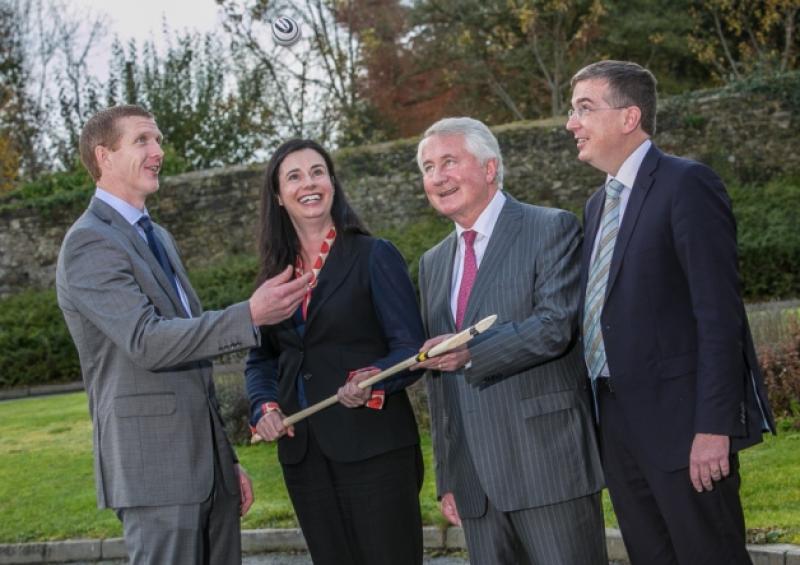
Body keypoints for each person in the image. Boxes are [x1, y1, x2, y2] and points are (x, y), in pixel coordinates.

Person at [55, 104, 311, 565]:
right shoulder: (88, 242)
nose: (158, 151)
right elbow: (147, 341)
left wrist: (225, 461)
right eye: (142, 141)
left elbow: (191, 359)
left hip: (206, 470)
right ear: (104, 156)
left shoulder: (160, 237)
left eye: (158, 140)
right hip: (155, 475)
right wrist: (250, 314)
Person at [567, 60, 776, 565]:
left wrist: (714, 426)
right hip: (615, 423)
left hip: (685, 428)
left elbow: (719, 316)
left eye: (584, 108)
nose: (571, 123)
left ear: (629, 116)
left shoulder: (687, 184)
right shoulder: (598, 205)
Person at [413, 117, 606, 565]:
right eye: (427, 167)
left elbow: (556, 326)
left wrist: (471, 353)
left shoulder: (550, 227)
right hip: (476, 485)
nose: (437, 177)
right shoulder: (432, 263)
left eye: (448, 161)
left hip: (548, 466)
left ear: (489, 168)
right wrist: (450, 475)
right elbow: (440, 386)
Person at [244, 139, 426, 565]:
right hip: (305, 458)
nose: (309, 183)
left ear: (331, 183)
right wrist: (264, 406)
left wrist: (373, 377)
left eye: (317, 172)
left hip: (376, 451)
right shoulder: (274, 275)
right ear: (278, 196)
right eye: (294, 176)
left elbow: (409, 348)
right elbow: (262, 359)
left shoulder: (373, 255)